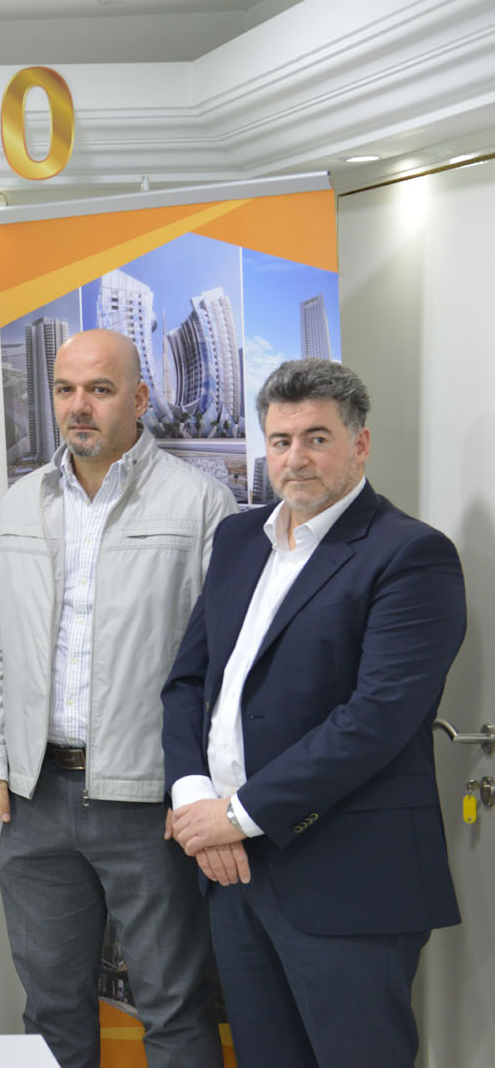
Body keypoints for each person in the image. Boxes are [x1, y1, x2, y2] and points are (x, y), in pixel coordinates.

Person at [163, 358, 465, 1068]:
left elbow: (377, 719)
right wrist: (195, 799)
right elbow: (188, 683)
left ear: (359, 444)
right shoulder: (239, 540)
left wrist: (237, 814)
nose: (294, 458)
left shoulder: (410, 554)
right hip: (233, 873)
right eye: (279, 440)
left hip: (347, 879)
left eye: (316, 438)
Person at [0, 329, 233, 1068]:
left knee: (173, 1007)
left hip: (149, 801)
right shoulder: (21, 502)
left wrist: (200, 788)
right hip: (35, 799)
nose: (78, 406)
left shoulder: (199, 503)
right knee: (50, 1009)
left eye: (100, 390)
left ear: (139, 398)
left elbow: (223, 664)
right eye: (64, 389)